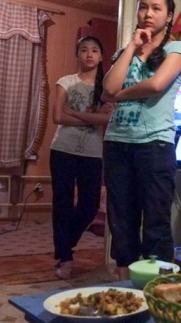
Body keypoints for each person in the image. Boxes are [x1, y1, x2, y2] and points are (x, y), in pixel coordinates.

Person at [102, 0, 181, 280]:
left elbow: (155, 85)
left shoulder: (176, 49)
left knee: (156, 220)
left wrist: (120, 94)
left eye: (156, 8)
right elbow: (107, 88)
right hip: (117, 143)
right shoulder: (124, 52)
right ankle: (125, 288)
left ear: (169, 16)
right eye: (143, 7)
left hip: (155, 144)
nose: (148, 14)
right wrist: (131, 47)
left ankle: (156, 287)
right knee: (121, 219)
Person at [49, 35, 113, 279]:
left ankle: (65, 244)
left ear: (101, 56)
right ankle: (65, 258)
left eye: (94, 50)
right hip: (62, 150)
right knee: (62, 204)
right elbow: (58, 117)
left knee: (89, 206)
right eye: (84, 50)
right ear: (77, 54)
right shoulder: (66, 82)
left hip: (92, 153)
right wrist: (93, 117)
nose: (89, 54)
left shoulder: (107, 89)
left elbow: (107, 120)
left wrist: (72, 112)